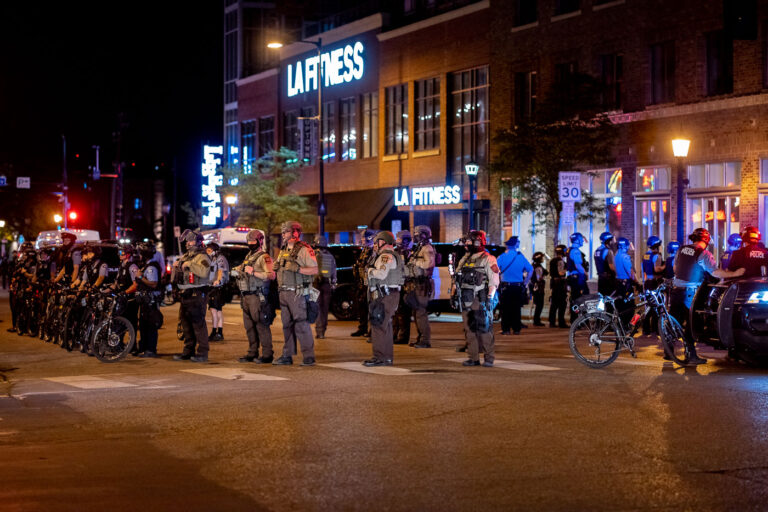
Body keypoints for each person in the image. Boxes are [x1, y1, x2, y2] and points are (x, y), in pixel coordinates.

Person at [672, 228, 744, 365]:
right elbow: (715, 272)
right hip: (690, 292)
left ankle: (668, 352)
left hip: (676, 290)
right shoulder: (703, 253)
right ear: (706, 240)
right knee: (692, 323)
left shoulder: (681, 249)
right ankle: (691, 355)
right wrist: (735, 274)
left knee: (673, 321)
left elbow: (675, 268)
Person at [274, 221, 319, 366]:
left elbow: (314, 270)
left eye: (285, 232)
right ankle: (287, 355)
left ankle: (308, 356)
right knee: (287, 325)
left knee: (301, 324)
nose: (283, 235)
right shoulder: (284, 249)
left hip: (297, 292)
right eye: (282, 232)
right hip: (284, 292)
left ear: (295, 233)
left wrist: (298, 269)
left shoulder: (305, 249)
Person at [455, 230, 499, 367]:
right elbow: (457, 278)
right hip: (467, 298)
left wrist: (490, 298)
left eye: (469, 241)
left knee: (484, 329)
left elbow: (494, 281)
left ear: (478, 241)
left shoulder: (488, 258)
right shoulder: (465, 258)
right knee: (469, 329)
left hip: (481, 298)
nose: (466, 244)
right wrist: (454, 295)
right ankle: (473, 358)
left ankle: (489, 358)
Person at [363, 231, 405, 366]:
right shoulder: (394, 255)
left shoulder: (385, 256)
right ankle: (386, 357)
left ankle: (379, 357)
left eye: (378, 241)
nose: (375, 244)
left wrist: (369, 270)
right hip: (390, 295)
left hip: (385, 295)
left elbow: (381, 274)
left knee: (378, 326)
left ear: (384, 241)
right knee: (385, 326)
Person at [172, 230, 212, 363]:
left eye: (191, 241)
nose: (188, 244)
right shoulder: (186, 255)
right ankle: (188, 351)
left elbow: (204, 271)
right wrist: (178, 264)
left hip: (197, 293)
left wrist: (190, 264)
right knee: (186, 324)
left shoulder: (203, 256)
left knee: (198, 325)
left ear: (199, 242)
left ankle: (202, 353)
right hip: (185, 293)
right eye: (187, 241)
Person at [235, 229, 275, 363]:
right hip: (246, 295)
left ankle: (267, 354)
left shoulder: (264, 257)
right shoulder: (249, 255)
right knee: (249, 326)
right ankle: (252, 352)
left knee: (261, 325)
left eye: (253, 242)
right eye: (249, 242)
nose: (251, 244)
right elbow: (243, 267)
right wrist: (237, 270)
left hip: (257, 296)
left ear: (260, 241)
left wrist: (254, 273)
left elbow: (271, 275)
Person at [404, 225, 436, 348]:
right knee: (416, 312)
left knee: (421, 313)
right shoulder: (419, 248)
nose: (415, 237)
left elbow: (429, 263)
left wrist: (415, 263)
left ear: (424, 235)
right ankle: (420, 338)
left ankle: (425, 340)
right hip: (416, 283)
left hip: (422, 284)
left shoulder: (427, 248)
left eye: (417, 234)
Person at [131, 242, 163, 358]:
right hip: (145, 301)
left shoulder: (151, 267)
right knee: (144, 325)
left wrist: (140, 277)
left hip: (151, 301)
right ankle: (143, 348)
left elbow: (153, 284)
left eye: (140, 254)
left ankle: (150, 349)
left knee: (150, 325)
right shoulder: (146, 266)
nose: (139, 256)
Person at [497, 236, 532, 335]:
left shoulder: (502, 257)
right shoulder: (520, 257)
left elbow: (494, 270)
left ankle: (506, 329)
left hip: (505, 286)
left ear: (507, 245)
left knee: (505, 309)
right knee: (516, 308)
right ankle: (516, 329)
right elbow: (530, 270)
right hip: (517, 286)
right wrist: (525, 282)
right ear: (516, 245)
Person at [112, 243, 140, 345]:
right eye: (119, 252)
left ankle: (132, 346)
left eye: (121, 252)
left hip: (130, 300)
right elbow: (116, 284)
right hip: (122, 299)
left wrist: (125, 292)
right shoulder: (121, 266)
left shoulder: (132, 266)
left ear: (128, 254)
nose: (119, 254)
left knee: (131, 323)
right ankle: (118, 344)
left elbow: (135, 285)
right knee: (119, 322)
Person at [351, 229, 376, 337]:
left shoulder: (374, 250)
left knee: (371, 306)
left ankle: (372, 330)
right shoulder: (365, 250)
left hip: (369, 282)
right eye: (362, 238)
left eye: (364, 238)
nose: (362, 240)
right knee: (362, 306)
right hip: (362, 282)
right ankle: (363, 327)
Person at [312, 234, 337, 339]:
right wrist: (334, 284)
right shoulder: (330, 256)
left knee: (316, 308)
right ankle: (323, 330)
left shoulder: (312, 255)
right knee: (324, 309)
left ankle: (319, 331)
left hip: (315, 285)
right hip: (326, 284)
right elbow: (334, 271)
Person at [205, 242, 229, 341]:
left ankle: (214, 332)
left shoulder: (220, 259)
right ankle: (219, 333)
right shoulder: (214, 259)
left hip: (217, 288)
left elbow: (220, 271)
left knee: (214, 310)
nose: (208, 252)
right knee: (218, 311)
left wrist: (218, 280)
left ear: (215, 251)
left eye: (209, 250)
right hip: (215, 287)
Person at [392, 230, 412, 345]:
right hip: (395, 284)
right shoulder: (395, 252)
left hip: (405, 285)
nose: (397, 241)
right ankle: (395, 333)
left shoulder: (410, 253)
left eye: (399, 239)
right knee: (395, 312)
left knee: (403, 313)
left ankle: (403, 336)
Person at [642, 236, 665, 335]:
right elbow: (657, 269)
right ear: (657, 245)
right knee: (656, 305)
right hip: (654, 283)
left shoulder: (645, 255)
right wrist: (665, 266)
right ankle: (656, 328)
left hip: (647, 282)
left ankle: (646, 328)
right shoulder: (657, 256)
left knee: (648, 305)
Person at [567, 233, 589, 324]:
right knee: (582, 299)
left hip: (574, 278)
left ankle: (576, 320)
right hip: (578, 278)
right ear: (577, 240)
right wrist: (585, 273)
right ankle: (578, 321)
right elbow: (578, 265)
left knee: (576, 299)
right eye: (581, 238)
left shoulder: (570, 250)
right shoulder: (575, 251)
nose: (582, 240)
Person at [549, 244, 568, 328]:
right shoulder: (560, 261)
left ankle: (552, 321)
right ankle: (561, 322)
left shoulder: (553, 260)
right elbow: (561, 273)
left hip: (554, 283)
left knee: (554, 304)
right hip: (560, 284)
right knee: (562, 304)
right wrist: (567, 268)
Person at [594, 232, 616, 296]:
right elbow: (611, 266)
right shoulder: (608, 251)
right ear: (608, 241)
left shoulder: (597, 250)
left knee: (602, 298)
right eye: (611, 240)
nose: (612, 242)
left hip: (600, 278)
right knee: (610, 299)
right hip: (608, 279)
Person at [529, 252, 548, 327]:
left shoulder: (534, 265)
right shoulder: (538, 267)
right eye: (542, 258)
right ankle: (536, 320)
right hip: (538, 287)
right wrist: (542, 278)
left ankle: (536, 319)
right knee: (540, 304)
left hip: (535, 287)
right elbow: (538, 278)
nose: (543, 259)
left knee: (538, 304)